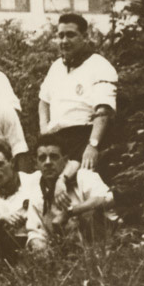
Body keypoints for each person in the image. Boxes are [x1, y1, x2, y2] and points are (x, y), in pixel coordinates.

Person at [39, 13, 118, 169]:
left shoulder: (100, 65)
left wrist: (93, 145)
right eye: (60, 36)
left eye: (70, 35)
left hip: (83, 138)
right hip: (56, 143)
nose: (64, 41)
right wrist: (44, 133)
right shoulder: (56, 67)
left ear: (85, 36)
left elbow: (103, 110)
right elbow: (44, 101)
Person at [26, 134, 117, 253]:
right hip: (66, 249)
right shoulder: (37, 194)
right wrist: (39, 246)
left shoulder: (83, 176)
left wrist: (69, 213)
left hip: (101, 240)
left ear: (64, 160)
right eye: (42, 158)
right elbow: (35, 232)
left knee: (88, 213)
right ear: (36, 164)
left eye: (54, 157)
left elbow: (107, 198)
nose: (48, 162)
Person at [0, 142, 40, 268]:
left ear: (12, 162)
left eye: (0, 164)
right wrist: (3, 218)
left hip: (34, 237)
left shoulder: (33, 180)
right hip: (8, 242)